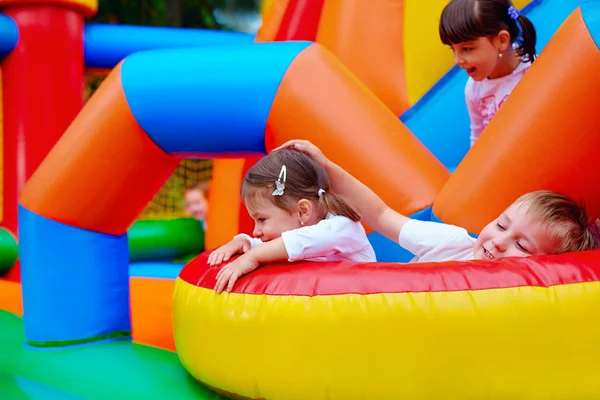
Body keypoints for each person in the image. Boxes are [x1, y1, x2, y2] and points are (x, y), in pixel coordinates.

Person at [276, 140, 600, 263]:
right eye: (501, 224)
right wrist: (327, 168)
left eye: (524, 246)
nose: (498, 241)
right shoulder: (453, 243)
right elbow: (381, 214)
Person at [209, 149, 376, 293]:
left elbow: (297, 242)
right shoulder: (292, 237)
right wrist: (243, 241)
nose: (256, 231)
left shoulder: (342, 228)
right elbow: (277, 247)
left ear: (302, 211)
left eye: (261, 219)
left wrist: (251, 257)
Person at [439, 0, 537, 147]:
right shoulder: (474, 89)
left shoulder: (534, 70)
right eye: (453, 49)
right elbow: (478, 137)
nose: (457, 60)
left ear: (502, 41)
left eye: (467, 49)